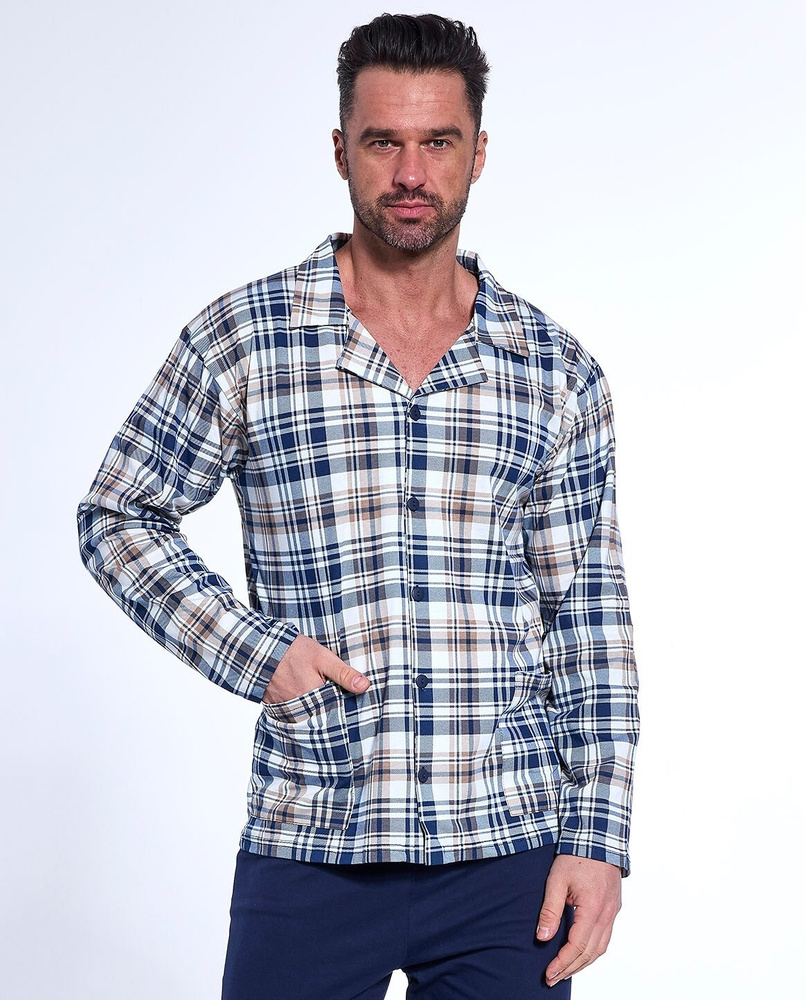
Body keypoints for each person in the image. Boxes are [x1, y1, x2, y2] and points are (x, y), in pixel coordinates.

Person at [77, 13, 639, 1000]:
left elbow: (585, 614)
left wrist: (597, 837)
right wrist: (259, 654)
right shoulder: (246, 339)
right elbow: (118, 516)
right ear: (341, 150)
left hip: (506, 855)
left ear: (478, 152)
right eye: (383, 142)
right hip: (312, 837)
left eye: (438, 142)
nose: (411, 173)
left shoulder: (553, 370)